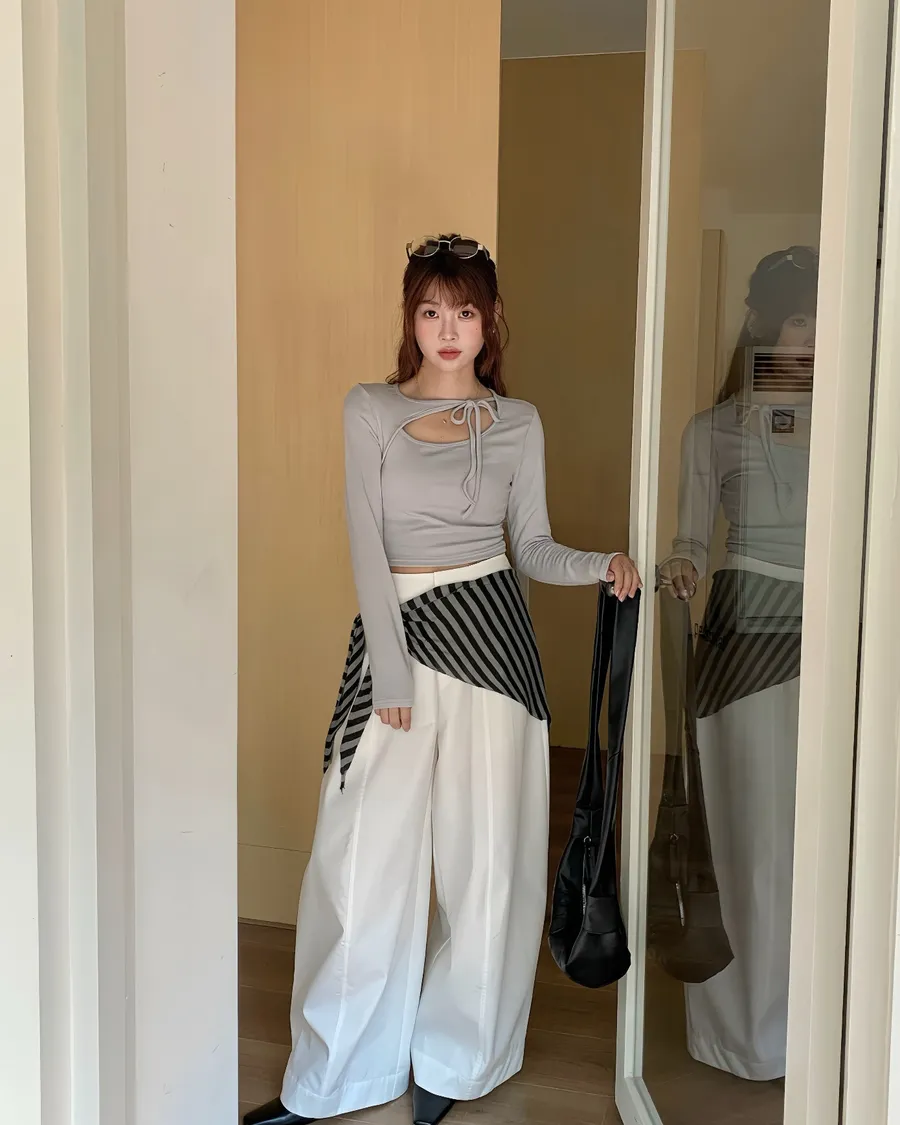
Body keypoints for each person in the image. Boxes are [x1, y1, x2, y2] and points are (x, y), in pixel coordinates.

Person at [244, 235, 641, 1125]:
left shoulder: (518, 421)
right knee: (359, 862)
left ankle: (457, 1062)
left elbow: (529, 545)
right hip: (398, 645)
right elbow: (365, 539)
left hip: (494, 649)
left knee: (486, 859)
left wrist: (599, 564)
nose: (448, 329)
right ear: (411, 319)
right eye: (431, 310)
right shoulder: (370, 409)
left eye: (464, 311)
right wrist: (390, 668)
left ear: (490, 319)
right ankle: (336, 1074)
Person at [658, 246, 817, 1081]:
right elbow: (690, 541)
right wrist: (681, 568)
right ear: (762, 323)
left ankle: (808, 1035)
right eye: (798, 320)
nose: (812, 339)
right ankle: (742, 1037)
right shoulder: (711, 430)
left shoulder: (853, 424)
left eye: (822, 323)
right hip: (743, 643)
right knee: (746, 841)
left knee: (807, 846)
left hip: (829, 643)